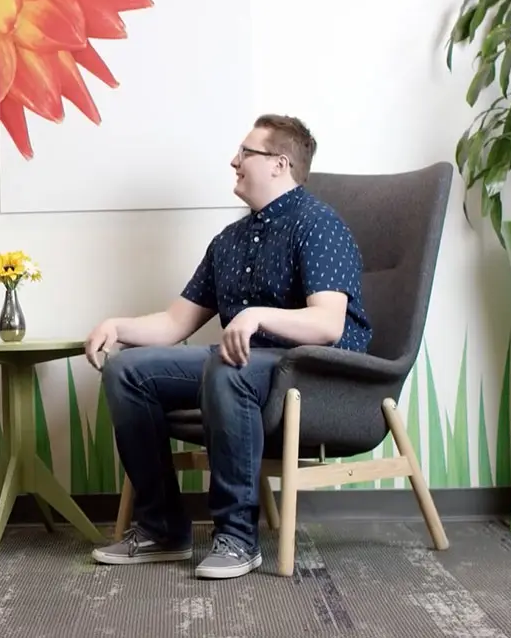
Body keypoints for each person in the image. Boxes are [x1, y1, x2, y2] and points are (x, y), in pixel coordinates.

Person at [84, 115, 372, 580]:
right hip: (243, 366)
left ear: (279, 164)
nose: (233, 161)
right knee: (127, 370)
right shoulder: (230, 240)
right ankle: (162, 531)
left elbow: (327, 324)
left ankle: (237, 538)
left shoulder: (318, 224)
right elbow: (176, 322)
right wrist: (117, 326)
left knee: (225, 364)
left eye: (246, 152)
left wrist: (256, 315)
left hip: (314, 373)